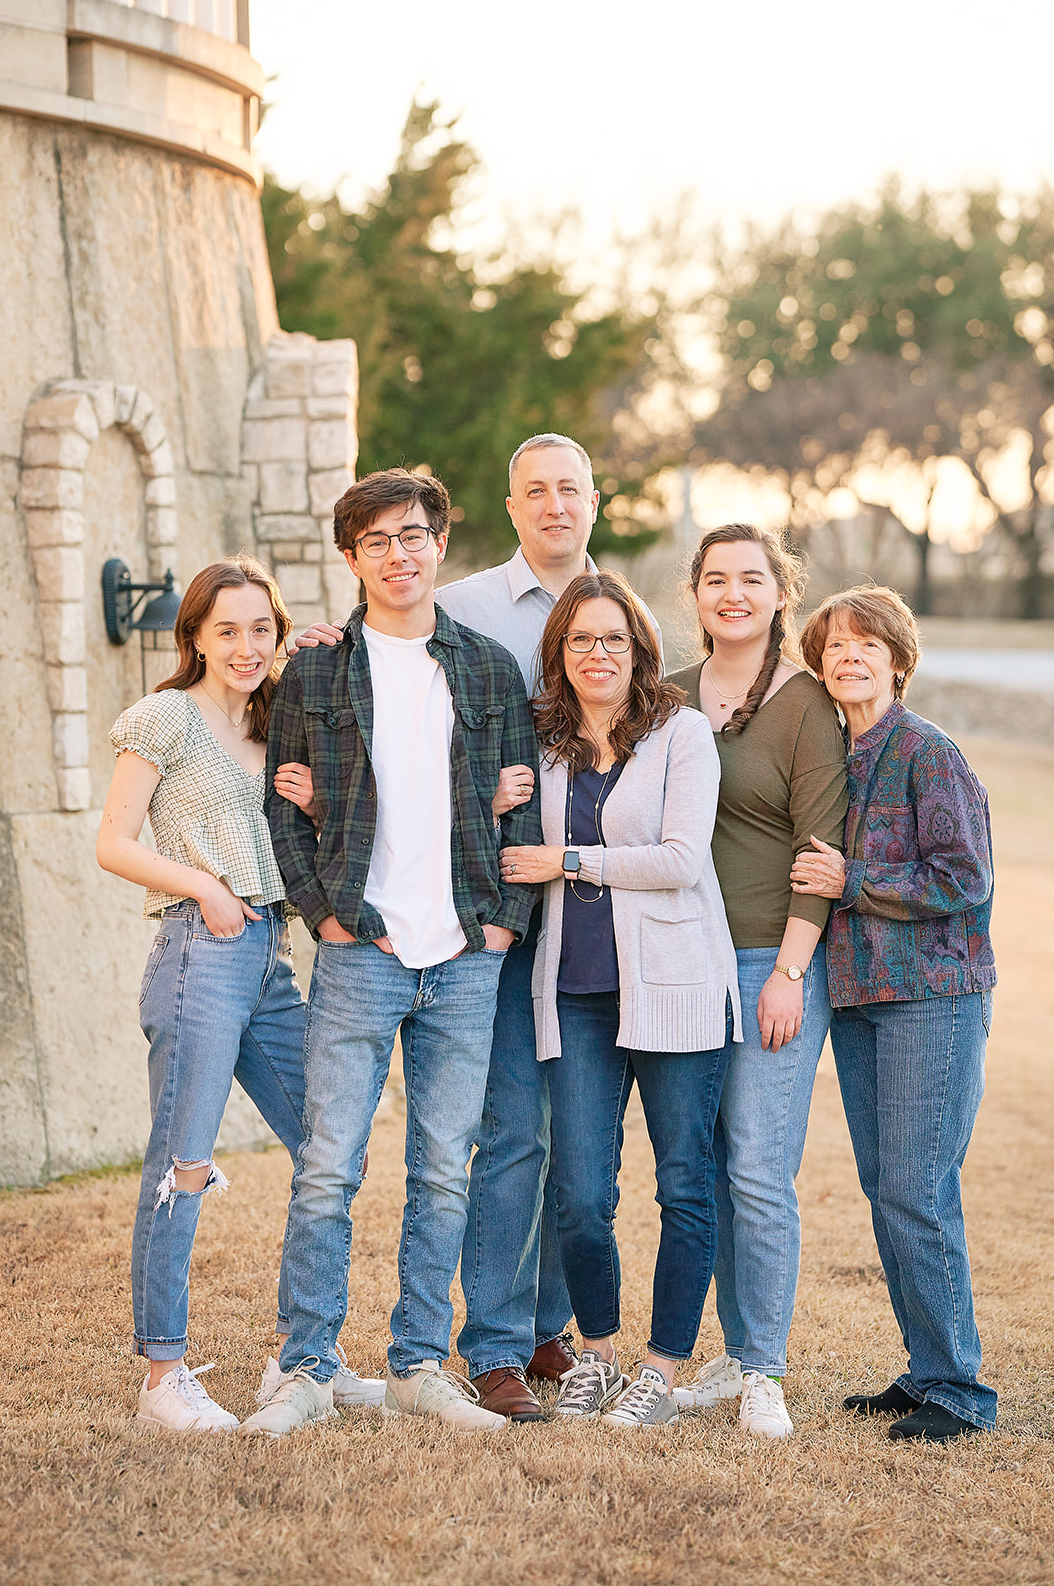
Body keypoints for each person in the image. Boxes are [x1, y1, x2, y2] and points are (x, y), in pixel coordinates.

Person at [292, 433, 661, 1423]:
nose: (552, 505)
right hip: (476, 905)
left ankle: (545, 1326)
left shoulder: (624, 613)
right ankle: (492, 1340)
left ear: (592, 500)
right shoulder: (464, 609)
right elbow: (383, 643)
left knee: (568, 1142)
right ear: (507, 507)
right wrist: (311, 642)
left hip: (578, 912)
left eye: (568, 489)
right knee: (498, 1134)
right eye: (533, 490)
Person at [238, 468, 541, 1438]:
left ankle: (416, 1363)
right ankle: (304, 1367)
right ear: (351, 558)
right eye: (376, 541)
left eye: (413, 536)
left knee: (442, 1168)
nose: (399, 554)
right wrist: (322, 912)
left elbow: (521, 798)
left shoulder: (490, 668)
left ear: (438, 543)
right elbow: (282, 809)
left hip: (462, 951)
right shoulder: (316, 672)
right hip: (360, 947)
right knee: (327, 1165)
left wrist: (499, 922)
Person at [95, 554, 383, 1433]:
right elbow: (113, 842)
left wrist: (340, 652)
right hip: (200, 948)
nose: (247, 645)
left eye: (263, 627)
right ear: (195, 637)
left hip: (271, 962)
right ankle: (163, 1379)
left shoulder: (276, 723)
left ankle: (305, 1358)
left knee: (331, 1147)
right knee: (182, 1166)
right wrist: (207, 887)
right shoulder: (164, 718)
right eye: (227, 630)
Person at [501, 571, 741, 1428]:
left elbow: (681, 859)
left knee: (683, 1184)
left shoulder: (682, 733)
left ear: (640, 647)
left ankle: (663, 1372)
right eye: (580, 640)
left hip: (676, 987)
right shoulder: (545, 743)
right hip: (574, 992)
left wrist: (569, 861)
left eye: (614, 639)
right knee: (577, 1190)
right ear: (559, 654)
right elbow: (503, 830)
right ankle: (595, 1351)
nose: (597, 654)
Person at [791, 585, 998, 1443]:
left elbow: (964, 879)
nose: (848, 657)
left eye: (865, 644)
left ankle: (959, 1390)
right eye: (834, 646)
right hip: (860, 1001)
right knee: (889, 1191)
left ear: (897, 660)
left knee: (918, 1188)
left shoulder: (927, 752)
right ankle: (925, 1370)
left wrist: (853, 883)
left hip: (931, 1001)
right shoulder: (837, 757)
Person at [665, 524, 848, 1439]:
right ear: (695, 595)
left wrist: (787, 972)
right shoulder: (666, 694)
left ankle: (765, 1371)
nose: (732, 594)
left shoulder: (809, 705)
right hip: (680, 964)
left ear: (781, 592)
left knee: (759, 1167)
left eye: (751, 579)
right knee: (706, 1166)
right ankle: (735, 1359)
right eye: (714, 580)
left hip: (770, 961)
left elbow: (823, 852)